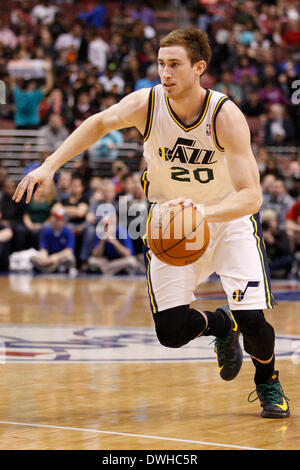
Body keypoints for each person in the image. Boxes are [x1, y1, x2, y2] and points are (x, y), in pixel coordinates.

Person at [13, 28, 289, 419]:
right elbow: (98, 123)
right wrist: (49, 166)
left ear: (199, 68)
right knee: (171, 331)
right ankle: (220, 326)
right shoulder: (148, 103)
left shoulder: (225, 115)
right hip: (168, 225)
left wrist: (199, 215)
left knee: (255, 324)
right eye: (160, 64)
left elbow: (252, 196)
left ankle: (267, 382)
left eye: (174, 64)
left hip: (226, 221)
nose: (165, 72)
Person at [31, 207, 76, 274]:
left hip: (59, 258)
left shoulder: (68, 232)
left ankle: (50, 269)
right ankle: (51, 268)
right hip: (49, 258)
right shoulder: (46, 232)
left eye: (59, 220)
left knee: (70, 258)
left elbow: (69, 250)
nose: (56, 221)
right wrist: (44, 258)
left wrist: (54, 258)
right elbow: (43, 249)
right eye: (55, 219)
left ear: (64, 222)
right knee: (33, 258)